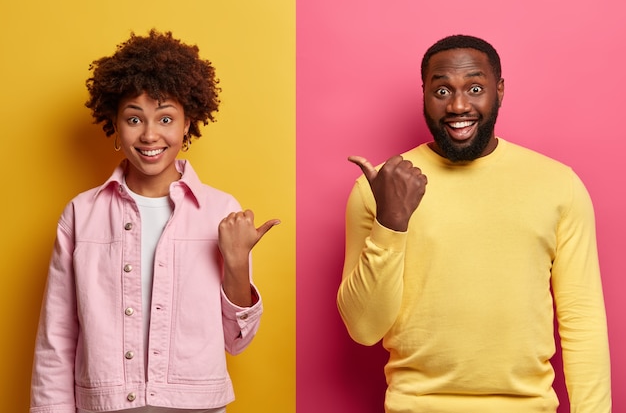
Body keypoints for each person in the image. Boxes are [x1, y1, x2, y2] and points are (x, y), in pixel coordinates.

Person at [337, 35, 611, 413]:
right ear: (424, 95)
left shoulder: (558, 184)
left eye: (475, 88)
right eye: (442, 90)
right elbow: (364, 328)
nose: (459, 105)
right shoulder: (381, 187)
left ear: (499, 91)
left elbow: (582, 317)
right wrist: (391, 222)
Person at [30, 30, 279, 413]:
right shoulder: (81, 214)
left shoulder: (220, 210)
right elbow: (57, 339)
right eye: (134, 118)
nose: (150, 135)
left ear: (187, 124)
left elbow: (236, 341)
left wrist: (237, 262)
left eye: (165, 118)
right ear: (115, 122)